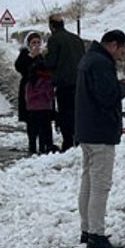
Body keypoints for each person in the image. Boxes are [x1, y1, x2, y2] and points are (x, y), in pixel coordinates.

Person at [75, 29, 125, 248]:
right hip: (100, 132)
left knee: (88, 183)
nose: (123, 53)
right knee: (100, 186)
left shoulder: (89, 58)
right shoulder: (101, 63)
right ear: (112, 45)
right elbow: (107, 96)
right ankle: (97, 236)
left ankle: (87, 230)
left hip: (87, 130)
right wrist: (124, 87)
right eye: (122, 48)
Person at [43, 13, 85, 152]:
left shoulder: (54, 40)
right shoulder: (77, 39)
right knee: (78, 113)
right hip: (79, 83)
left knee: (65, 114)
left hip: (64, 84)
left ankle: (68, 143)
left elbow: (50, 62)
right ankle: (78, 140)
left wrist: (43, 57)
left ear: (51, 26)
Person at [14, 31, 56, 154]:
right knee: (31, 121)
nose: (36, 45)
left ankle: (45, 146)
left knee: (45, 120)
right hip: (30, 92)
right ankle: (32, 145)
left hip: (44, 92)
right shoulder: (24, 54)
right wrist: (31, 57)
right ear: (28, 44)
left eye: (38, 42)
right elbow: (19, 67)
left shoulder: (44, 55)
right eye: (33, 43)